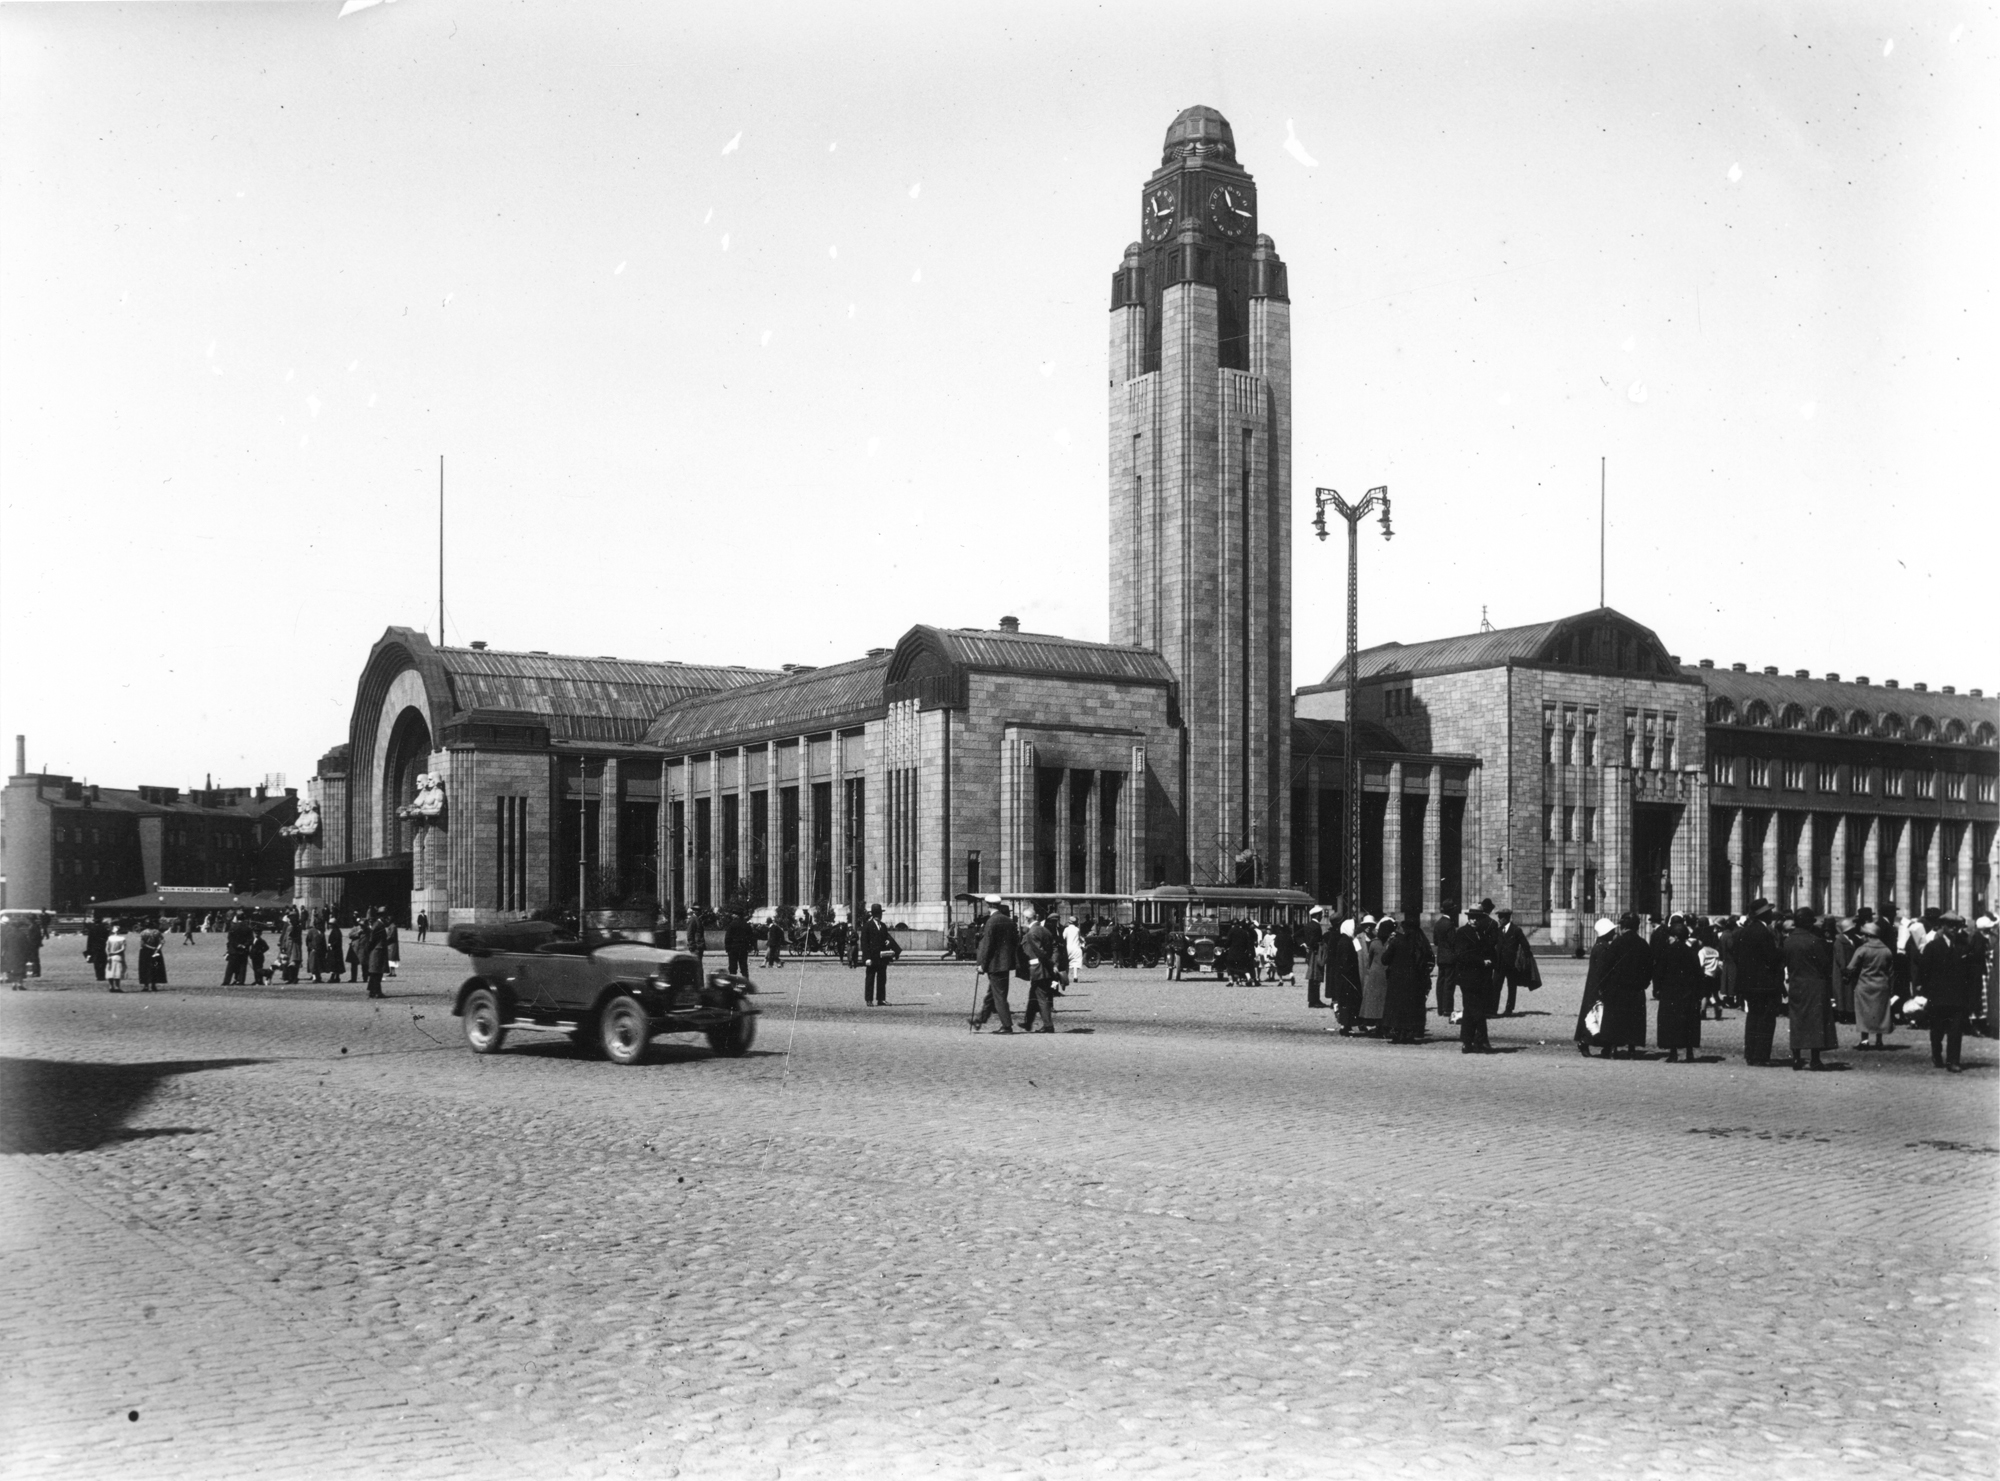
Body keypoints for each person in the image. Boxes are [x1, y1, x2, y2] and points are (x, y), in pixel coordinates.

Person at [1782, 908, 1840, 1071]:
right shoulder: (1815, 941)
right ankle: (1815, 1059)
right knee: (1815, 1022)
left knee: (1797, 1021)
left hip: (1796, 984)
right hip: (1814, 984)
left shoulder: (1788, 941)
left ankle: (1796, 1058)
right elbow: (1825, 964)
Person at [1733, 898, 1784, 1066]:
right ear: (1765, 914)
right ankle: (1761, 1055)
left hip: (1748, 984)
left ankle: (1751, 1054)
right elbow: (1771, 958)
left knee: (1753, 1018)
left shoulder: (1744, 931)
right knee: (1766, 1021)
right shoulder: (1764, 933)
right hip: (1765, 984)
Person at [1452, 899, 1507, 1054]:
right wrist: (1482, 961)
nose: (1474, 920)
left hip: (1481, 978)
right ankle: (1480, 1040)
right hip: (1468, 978)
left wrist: (1491, 962)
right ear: (1468, 918)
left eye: (1477, 918)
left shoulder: (1482, 933)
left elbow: (1491, 950)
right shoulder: (1462, 933)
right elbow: (1461, 955)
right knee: (1477, 1010)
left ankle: (1468, 1042)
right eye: (1471, 917)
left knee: (1471, 1010)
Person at [1922, 911, 1971, 1072]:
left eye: (1956, 926)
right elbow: (1925, 972)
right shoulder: (1932, 947)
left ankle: (1953, 1061)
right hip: (1938, 996)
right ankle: (1937, 1054)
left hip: (1957, 996)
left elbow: (1969, 972)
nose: (1953, 929)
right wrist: (1924, 991)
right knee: (1937, 1030)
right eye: (1950, 925)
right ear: (1942, 926)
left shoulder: (1963, 946)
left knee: (1956, 1030)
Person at [1652, 915, 1703, 1063]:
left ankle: (1673, 1052)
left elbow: (1658, 972)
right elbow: (1698, 974)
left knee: (1671, 1022)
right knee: (1688, 1022)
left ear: (1675, 936)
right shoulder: (1691, 953)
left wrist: (1657, 989)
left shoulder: (1667, 952)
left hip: (1670, 993)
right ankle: (1689, 1052)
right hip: (1688, 993)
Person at [1381, 911, 1432, 1044]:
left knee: (1397, 1007)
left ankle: (1398, 1033)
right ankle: (1409, 1033)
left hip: (1397, 980)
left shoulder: (1397, 941)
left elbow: (1385, 959)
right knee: (1411, 1007)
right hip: (1414, 980)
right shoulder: (1421, 943)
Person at [971, 895, 1020, 1034]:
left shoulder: (991, 921)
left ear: (988, 905)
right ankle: (979, 1020)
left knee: (999, 996)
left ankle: (1007, 1025)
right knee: (993, 994)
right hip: (1005, 963)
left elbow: (988, 946)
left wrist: (982, 965)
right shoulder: (1008, 920)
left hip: (994, 964)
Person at [1845, 919, 1896, 1049]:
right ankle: (1879, 1040)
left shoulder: (1863, 949)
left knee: (1863, 1013)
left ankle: (1864, 1041)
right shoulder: (1886, 950)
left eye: (1863, 935)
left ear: (1868, 935)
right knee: (1881, 1013)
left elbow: (1851, 967)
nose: (1862, 937)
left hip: (1865, 985)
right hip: (1882, 986)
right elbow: (1891, 972)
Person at [1495, 906, 1540, 1016]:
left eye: (1500, 917)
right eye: (1499, 917)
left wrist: (1520, 959)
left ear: (1506, 918)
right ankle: (1493, 1009)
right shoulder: (1498, 930)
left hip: (1512, 965)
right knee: (1496, 986)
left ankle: (1509, 1009)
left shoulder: (1516, 930)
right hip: (1499, 964)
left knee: (1511, 987)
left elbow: (1526, 946)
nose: (1499, 919)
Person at [1020, 911, 1060, 1033]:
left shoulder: (1031, 933)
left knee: (1041, 997)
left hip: (1039, 969)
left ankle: (1048, 1025)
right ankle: (1028, 1022)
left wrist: (1051, 964)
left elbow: (1040, 952)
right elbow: (1055, 948)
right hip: (1045, 968)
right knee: (1034, 996)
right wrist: (1054, 963)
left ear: (1027, 918)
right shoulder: (1045, 930)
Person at [859, 903, 899, 1005]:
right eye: (877, 913)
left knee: (882, 979)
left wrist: (888, 943)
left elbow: (887, 938)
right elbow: (864, 943)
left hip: (882, 957)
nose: (879, 915)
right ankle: (869, 999)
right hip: (872, 957)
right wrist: (866, 957)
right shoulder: (867, 926)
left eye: (879, 913)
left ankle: (881, 999)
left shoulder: (883, 926)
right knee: (870, 978)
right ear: (874, 914)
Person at [1329, 918, 1364, 1034]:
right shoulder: (1345, 942)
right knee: (1347, 1002)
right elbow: (1345, 962)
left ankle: (1348, 1025)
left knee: (1348, 1002)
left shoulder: (1347, 940)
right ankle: (1345, 1026)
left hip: (1346, 977)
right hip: (1346, 978)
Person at [1431, 907, 1461, 1020]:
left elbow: (1435, 941)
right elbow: (1453, 941)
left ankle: (1440, 1008)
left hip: (1441, 956)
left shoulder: (1438, 923)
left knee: (1440, 982)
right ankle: (1447, 1008)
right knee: (1449, 983)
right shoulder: (1450, 924)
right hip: (1450, 957)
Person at [1301, 908, 1327, 1009]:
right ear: (1317, 915)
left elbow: (1298, 935)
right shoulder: (1316, 926)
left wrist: (1304, 945)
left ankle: (1312, 999)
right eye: (1320, 914)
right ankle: (1315, 1000)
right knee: (1316, 977)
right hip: (1316, 954)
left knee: (1312, 978)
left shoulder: (1308, 925)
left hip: (1310, 954)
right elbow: (1314, 941)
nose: (1321, 916)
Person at [364, 911, 390, 998]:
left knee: (375, 972)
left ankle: (372, 991)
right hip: (377, 952)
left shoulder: (377, 924)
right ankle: (377, 992)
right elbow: (371, 939)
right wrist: (369, 948)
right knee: (377, 973)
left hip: (377, 951)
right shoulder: (378, 925)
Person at [137, 920, 168, 992]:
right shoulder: (157, 932)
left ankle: (146, 986)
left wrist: (150, 947)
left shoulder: (143, 933)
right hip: (156, 952)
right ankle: (153, 985)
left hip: (145, 952)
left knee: (145, 969)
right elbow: (162, 941)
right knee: (155, 968)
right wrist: (157, 949)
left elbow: (142, 944)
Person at [223, 914, 254, 986]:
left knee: (230, 967)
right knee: (242, 967)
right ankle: (241, 981)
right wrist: (244, 945)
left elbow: (230, 939)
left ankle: (226, 981)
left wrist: (237, 945)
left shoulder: (233, 928)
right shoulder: (248, 928)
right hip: (244, 950)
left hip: (234, 950)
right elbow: (251, 939)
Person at [723, 913, 756, 979]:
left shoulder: (732, 924)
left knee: (732, 967)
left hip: (733, 948)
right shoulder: (746, 925)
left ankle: (733, 982)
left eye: (734, 914)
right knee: (744, 967)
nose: (732, 915)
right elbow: (751, 937)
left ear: (737, 915)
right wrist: (751, 946)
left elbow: (728, 937)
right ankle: (746, 981)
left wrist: (727, 948)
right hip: (743, 948)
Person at [1061, 915, 1085, 991]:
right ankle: (1075, 976)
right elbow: (1079, 938)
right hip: (1076, 947)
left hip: (1068, 947)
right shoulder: (1077, 929)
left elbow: (1063, 938)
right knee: (1075, 963)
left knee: (1066, 963)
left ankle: (1066, 978)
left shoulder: (1066, 929)